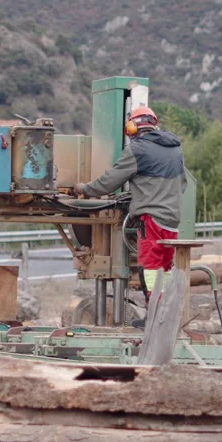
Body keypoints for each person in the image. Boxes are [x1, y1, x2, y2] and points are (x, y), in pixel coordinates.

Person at [75, 105, 187, 307]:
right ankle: (166, 314)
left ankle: (154, 317)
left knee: (150, 268)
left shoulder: (138, 149)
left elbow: (109, 182)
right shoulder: (175, 149)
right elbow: (183, 184)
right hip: (172, 220)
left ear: (132, 128)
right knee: (165, 268)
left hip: (152, 219)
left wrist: (84, 189)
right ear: (154, 124)